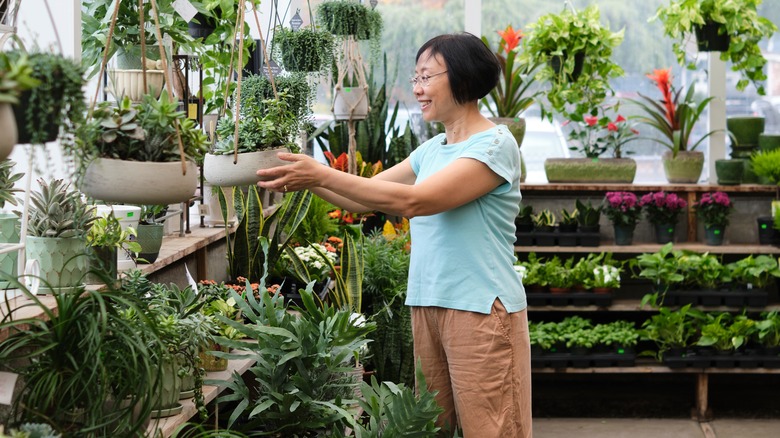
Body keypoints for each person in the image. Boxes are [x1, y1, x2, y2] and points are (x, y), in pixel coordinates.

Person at [256, 32, 531, 438]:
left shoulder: (493, 145)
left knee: (493, 430)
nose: (417, 89)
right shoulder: (433, 149)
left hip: (480, 309)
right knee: (428, 428)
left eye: (426, 77)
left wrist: (319, 173)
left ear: (463, 78)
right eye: (415, 77)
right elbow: (359, 200)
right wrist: (301, 176)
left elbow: (415, 202)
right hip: (429, 304)